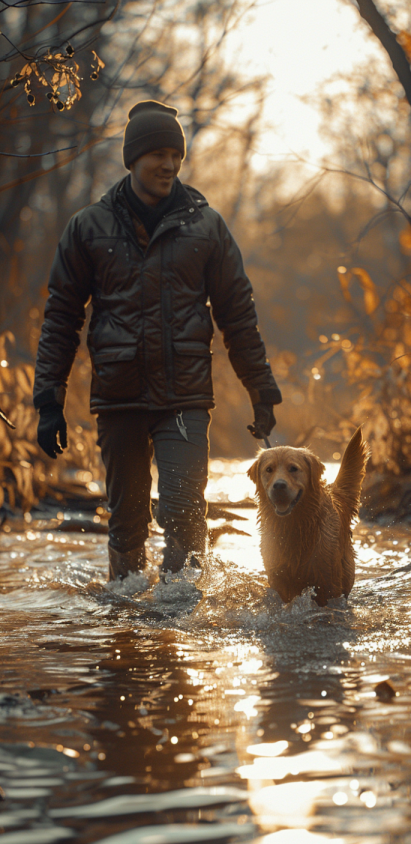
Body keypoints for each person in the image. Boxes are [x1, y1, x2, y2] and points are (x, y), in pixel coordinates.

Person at [34, 100, 282, 581]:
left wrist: (261, 389)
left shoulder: (206, 226)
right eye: (158, 155)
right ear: (133, 159)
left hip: (184, 398)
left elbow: (238, 314)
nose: (169, 165)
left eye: (176, 155)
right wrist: (49, 398)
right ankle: (127, 624)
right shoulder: (88, 227)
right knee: (126, 524)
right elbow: (62, 317)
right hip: (118, 397)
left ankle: (179, 619)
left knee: (186, 517)